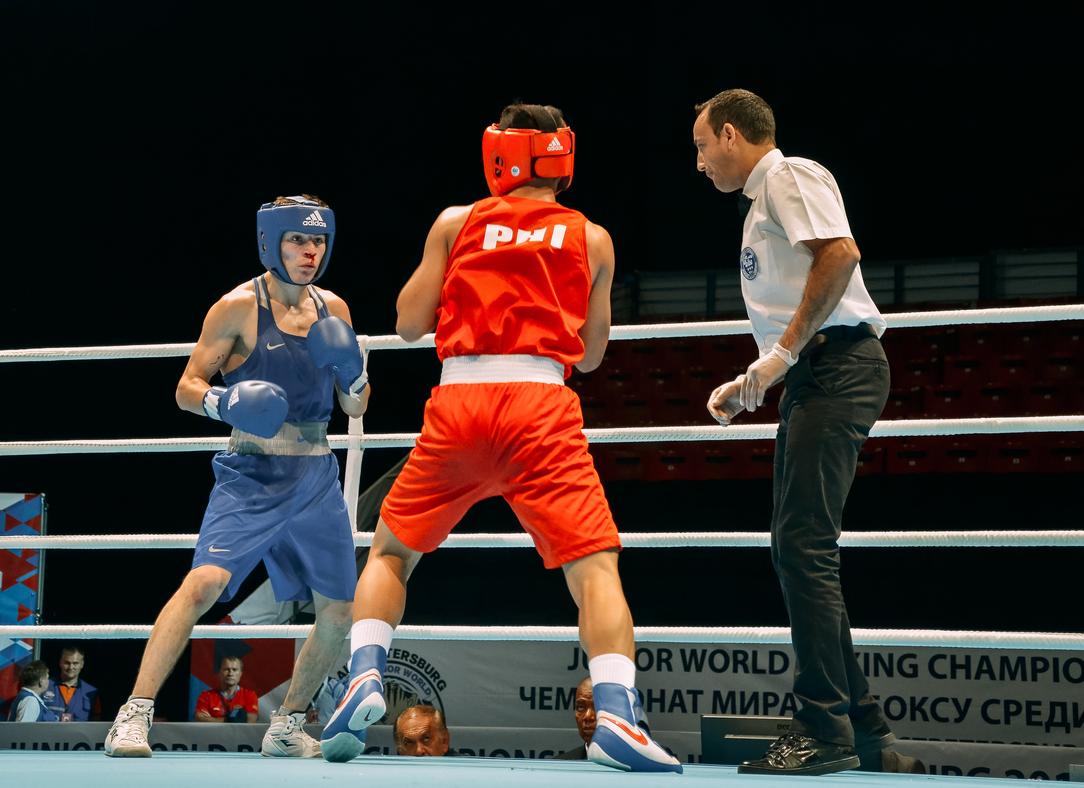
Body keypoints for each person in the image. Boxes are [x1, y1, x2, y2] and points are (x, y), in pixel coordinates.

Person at [319, 104, 681, 774]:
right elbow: (595, 355)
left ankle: (364, 674)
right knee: (594, 570)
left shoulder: (458, 222)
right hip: (540, 404)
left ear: (499, 155)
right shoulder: (592, 238)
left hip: (459, 399)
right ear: (560, 160)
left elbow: (404, 323)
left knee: (392, 554)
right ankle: (619, 718)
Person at [104, 195, 370, 758]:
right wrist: (226, 402)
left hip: (316, 472)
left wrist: (353, 371)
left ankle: (288, 724)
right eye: (300, 240)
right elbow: (186, 387)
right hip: (250, 472)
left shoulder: (336, 311)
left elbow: (355, 406)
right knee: (203, 585)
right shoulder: (236, 307)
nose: (311, 252)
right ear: (272, 242)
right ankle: (134, 713)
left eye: (319, 242)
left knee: (339, 611)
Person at [693, 89, 893, 776]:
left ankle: (821, 726)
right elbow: (797, 294)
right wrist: (757, 377)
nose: (697, 163)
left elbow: (838, 255)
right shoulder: (761, 203)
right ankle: (861, 726)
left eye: (699, 147)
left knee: (802, 545)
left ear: (728, 133)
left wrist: (779, 356)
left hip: (837, 364)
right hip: (817, 370)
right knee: (797, 545)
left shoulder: (786, 175)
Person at [43, 645, 101, 721]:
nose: (71, 667)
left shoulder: (91, 693)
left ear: (82, 664)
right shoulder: (44, 686)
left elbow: (96, 723)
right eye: (67, 663)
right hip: (49, 733)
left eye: (75, 663)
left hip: (80, 733)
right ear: (60, 663)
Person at [194, 656, 259, 723]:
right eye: (226, 669)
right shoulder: (206, 696)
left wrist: (211, 719)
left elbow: (251, 721)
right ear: (219, 672)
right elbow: (199, 719)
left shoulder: (249, 695)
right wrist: (234, 719)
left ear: (240, 673)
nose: (230, 673)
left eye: (234, 670)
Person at [554, 677, 595, 761]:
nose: (588, 716)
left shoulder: (629, 765)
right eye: (580, 707)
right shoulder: (560, 767)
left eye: (598, 707)